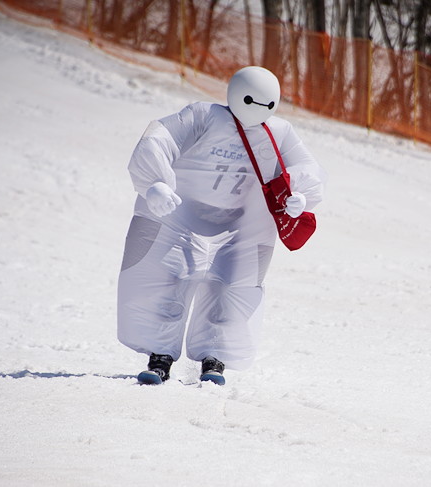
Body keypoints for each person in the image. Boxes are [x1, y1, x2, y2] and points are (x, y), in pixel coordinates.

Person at [117, 66, 325, 385]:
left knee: (232, 286)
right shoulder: (203, 116)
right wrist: (153, 183)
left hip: (240, 226)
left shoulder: (278, 132)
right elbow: (159, 138)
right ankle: (160, 355)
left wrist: (299, 193)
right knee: (169, 278)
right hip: (181, 216)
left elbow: (307, 167)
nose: (258, 111)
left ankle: (216, 356)